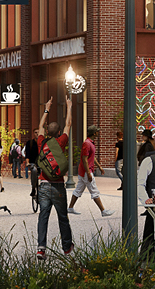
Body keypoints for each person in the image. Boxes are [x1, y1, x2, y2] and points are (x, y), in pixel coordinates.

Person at [34, 93, 75, 257]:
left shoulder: (41, 142)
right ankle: (66, 248)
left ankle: (41, 248)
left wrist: (46, 109)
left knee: (43, 217)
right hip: (58, 185)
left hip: (43, 185)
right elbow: (69, 124)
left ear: (46, 132)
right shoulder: (61, 142)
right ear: (58, 132)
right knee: (62, 217)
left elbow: (40, 126)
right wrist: (69, 107)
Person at [68, 126, 110, 217]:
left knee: (78, 190)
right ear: (94, 133)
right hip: (86, 171)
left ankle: (70, 208)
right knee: (94, 191)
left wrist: (99, 166)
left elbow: (92, 157)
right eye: (97, 132)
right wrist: (88, 173)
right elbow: (84, 159)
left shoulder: (90, 143)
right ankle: (103, 211)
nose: (99, 133)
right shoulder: (87, 144)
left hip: (85, 171)